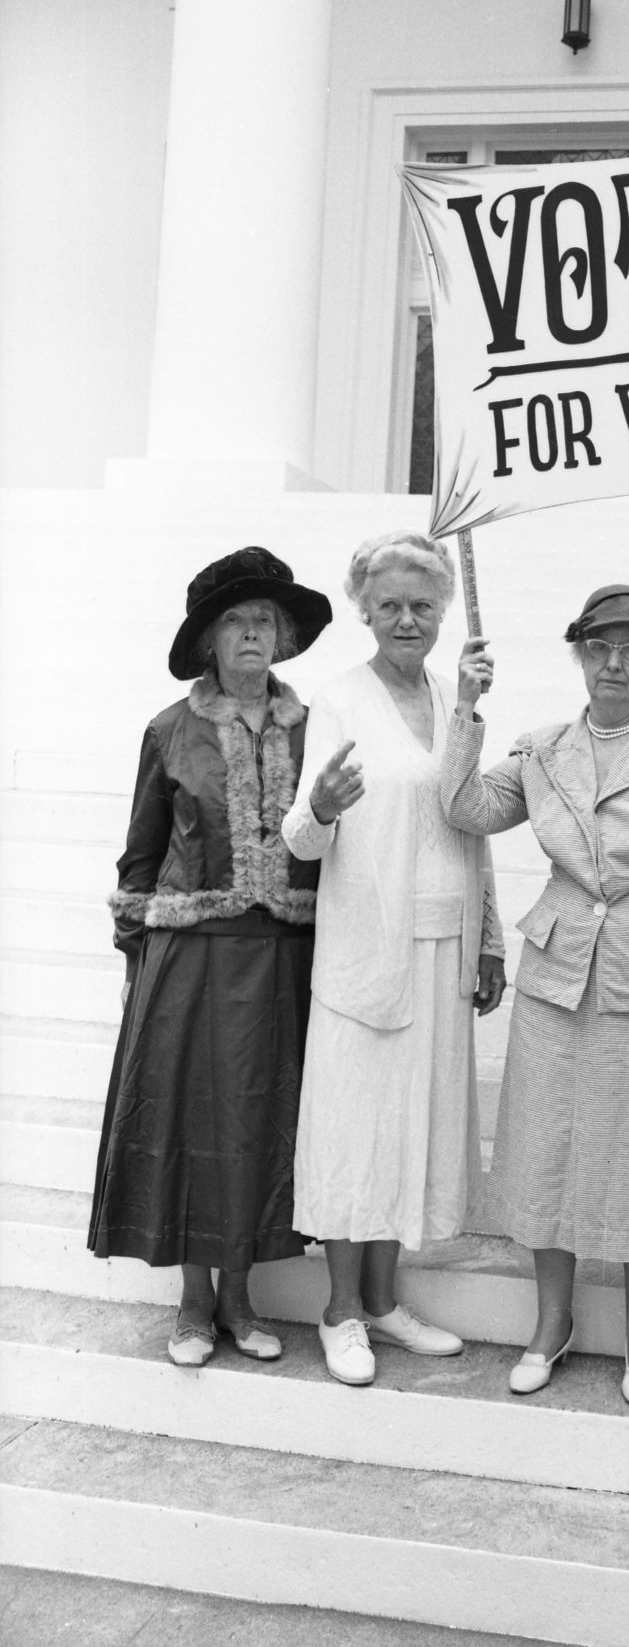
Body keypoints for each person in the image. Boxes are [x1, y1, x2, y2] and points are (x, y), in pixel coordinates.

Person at [442, 585, 629, 1408]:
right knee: (546, 1148)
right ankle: (552, 1322)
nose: (616, 662)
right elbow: (461, 808)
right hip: (559, 973)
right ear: (578, 653)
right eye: (601, 646)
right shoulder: (540, 751)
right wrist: (467, 709)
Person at [89, 546, 334, 1366]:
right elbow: (139, 857)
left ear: (287, 636)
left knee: (260, 1124)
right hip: (191, 957)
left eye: (265, 619)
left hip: (283, 958)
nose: (252, 633)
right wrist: (135, 959)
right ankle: (195, 1306)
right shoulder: (170, 729)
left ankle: (243, 1299)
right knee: (195, 1121)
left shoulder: (318, 729)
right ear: (208, 642)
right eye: (235, 621)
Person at [282, 530, 506, 1387]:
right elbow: (301, 839)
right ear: (364, 611)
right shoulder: (336, 699)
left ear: (444, 611)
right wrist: (325, 808)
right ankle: (339, 1310)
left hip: (443, 944)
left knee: (409, 1133)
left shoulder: (457, 696)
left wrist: (488, 937)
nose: (406, 619)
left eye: (422, 605)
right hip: (366, 953)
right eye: (390, 606)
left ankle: (382, 1299)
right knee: (355, 1133)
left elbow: (472, 818)